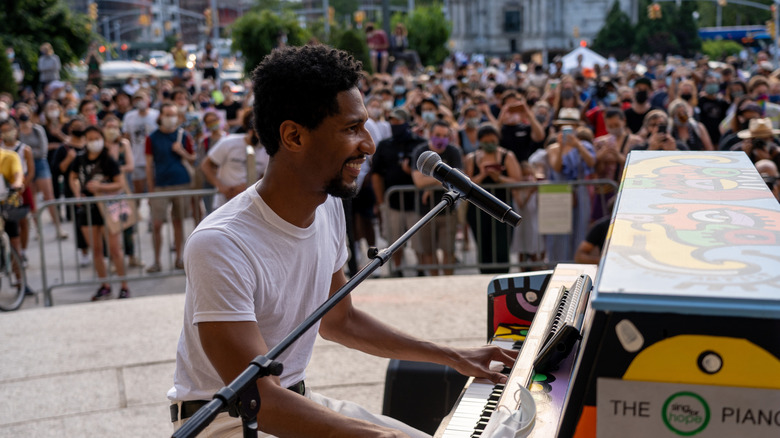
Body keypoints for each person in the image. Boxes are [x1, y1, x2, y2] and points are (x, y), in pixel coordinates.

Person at [167, 45, 516, 437]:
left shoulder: (329, 207)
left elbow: (341, 320)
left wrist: (453, 356)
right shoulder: (221, 244)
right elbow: (258, 398)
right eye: (351, 129)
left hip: (293, 400)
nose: (368, 144)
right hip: (229, 423)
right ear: (294, 136)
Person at [69, 126, 130, 300]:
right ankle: (105, 285)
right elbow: (72, 177)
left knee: (115, 250)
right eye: (90, 138)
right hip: (87, 209)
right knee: (96, 250)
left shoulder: (108, 160)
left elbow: (119, 184)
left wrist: (100, 187)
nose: (93, 141)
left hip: (107, 208)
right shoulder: (80, 159)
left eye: (97, 138)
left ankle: (124, 285)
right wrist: (76, 192)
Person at [370, 108, 428, 275]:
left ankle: (422, 270)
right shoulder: (384, 145)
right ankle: (398, 269)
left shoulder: (419, 144)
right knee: (395, 241)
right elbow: (377, 175)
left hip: (417, 203)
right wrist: (381, 202)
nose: (395, 124)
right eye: (392, 121)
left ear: (406, 123)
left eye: (398, 121)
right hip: (393, 202)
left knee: (419, 243)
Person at [463, 124, 521, 274]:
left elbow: (518, 180)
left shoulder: (507, 156)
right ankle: (485, 275)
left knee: (502, 246)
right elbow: (466, 184)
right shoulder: (472, 158)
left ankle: (502, 276)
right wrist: (482, 175)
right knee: (483, 245)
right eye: (486, 141)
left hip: (502, 208)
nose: (490, 144)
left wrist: (499, 178)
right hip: (478, 210)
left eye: (492, 141)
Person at [144, 103, 195, 273]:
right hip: (160, 185)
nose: (170, 117)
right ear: (160, 116)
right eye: (167, 114)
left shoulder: (184, 135)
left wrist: (181, 152)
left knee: (178, 222)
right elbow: (149, 165)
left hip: (181, 182)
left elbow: (193, 158)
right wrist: (150, 191)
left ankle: (179, 258)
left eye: (173, 114)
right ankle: (157, 260)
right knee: (157, 224)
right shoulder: (152, 138)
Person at [410, 120, 463, 276]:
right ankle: (434, 282)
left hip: (448, 211)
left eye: (446, 136)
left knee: (448, 251)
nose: (442, 139)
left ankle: (447, 283)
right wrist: (444, 178)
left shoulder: (453, 152)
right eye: (438, 135)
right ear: (430, 135)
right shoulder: (421, 151)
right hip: (425, 212)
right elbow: (418, 181)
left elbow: (459, 179)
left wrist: (430, 185)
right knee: (428, 252)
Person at [17, 103, 67, 240]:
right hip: (25, 166)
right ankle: (38, 230)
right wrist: (28, 155)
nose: (23, 114)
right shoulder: (17, 132)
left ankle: (58, 227)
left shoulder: (37, 129)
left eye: (24, 111)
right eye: (20, 112)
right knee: (32, 200)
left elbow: (43, 150)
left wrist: (27, 153)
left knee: (49, 196)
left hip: (40, 164)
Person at [200, 114, 268, 211]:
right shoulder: (229, 142)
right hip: (224, 204)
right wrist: (221, 187)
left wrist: (248, 187)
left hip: (250, 205)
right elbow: (205, 165)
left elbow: (265, 175)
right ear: (251, 131)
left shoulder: (266, 150)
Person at [123, 90, 159, 194]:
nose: (140, 102)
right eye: (137, 99)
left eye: (142, 99)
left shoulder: (156, 115)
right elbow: (126, 138)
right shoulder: (129, 116)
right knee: (137, 191)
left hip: (154, 159)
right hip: (136, 159)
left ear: (148, 99)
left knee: (154, 190)